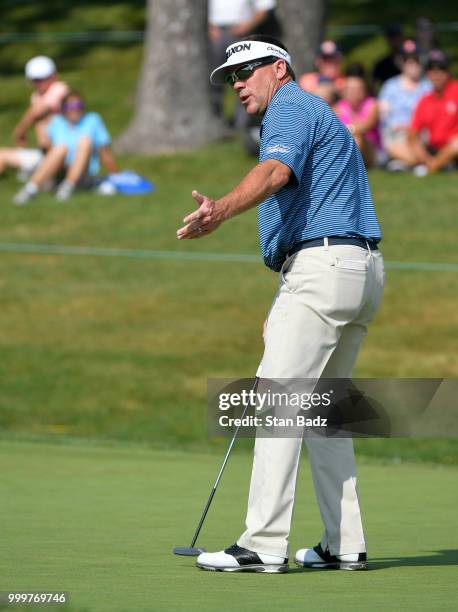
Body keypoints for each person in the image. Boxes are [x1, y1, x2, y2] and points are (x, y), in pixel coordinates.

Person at [177, 35, 384, 573]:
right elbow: (311, 216)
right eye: (231, 78)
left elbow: (274, 174)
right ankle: (345, 544)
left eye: (247, 71)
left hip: (325, 269)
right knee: (325, 415)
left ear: (279, 67)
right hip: (356, 271)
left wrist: (220, 210)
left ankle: (263, 544)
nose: (239, 84)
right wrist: (286, 293)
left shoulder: (290, 107)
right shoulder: (318, 109)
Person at [13, 91, 118, 205]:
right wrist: (40, 130)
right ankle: (30, 189)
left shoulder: (93, 120)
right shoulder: (57, 122)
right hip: (60, 170)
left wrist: (115, 176)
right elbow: (47, 150)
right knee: (61, 149)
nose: (74, 109)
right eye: (70, 106)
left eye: (78, 105)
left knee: (85, 141)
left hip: (85, 171)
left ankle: (67, 187)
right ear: (63, 108)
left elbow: (104, 151)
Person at [208, 0, 279, 124]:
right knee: (214, 78)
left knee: (244, 78)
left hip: (240, 33)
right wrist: (208, 26)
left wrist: (247, 26)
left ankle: (242, 122)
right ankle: (215, 120)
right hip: (215, 33)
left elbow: (264, 7)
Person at [0, 56, 69, 180]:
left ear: (54, 76)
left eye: (44, 78)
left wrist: (21, 130)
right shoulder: (36, 96)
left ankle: (49, 174)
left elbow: (39, 111)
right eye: (36, 80)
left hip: (63, 152)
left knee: (42, 123)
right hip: (43, 153)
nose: (40, 83)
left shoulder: (60, 89)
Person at [378, 40, 432, 170]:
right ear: (401, 62)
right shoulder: (389, 87)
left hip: (420, 135)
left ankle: (405, 163)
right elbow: (384, 118)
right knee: (396, 144)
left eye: (415, 59)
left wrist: (412, 129)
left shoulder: (428, 87)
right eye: (407, 60)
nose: (411, 63)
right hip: (396, 134)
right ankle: (419, 162)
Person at [408, 50, 458, 176]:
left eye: (441, 69)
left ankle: (432, 167)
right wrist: (426, 158)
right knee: (401, 143)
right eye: (432, 69)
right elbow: (413, 135)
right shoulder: (425, 100)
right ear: (428, 74)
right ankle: (436, 164)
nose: (437, 74)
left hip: (454, 147)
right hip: (433, 149)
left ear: (448, 72)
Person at [335, 68, 381, 167]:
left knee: (357, 138)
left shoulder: (372, 105)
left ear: (364, 90)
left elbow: (366, 125)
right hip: (345, 144)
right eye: (350, 89)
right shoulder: (337, 108)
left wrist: (346, 130)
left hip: (371, 149)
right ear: (344, 92)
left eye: (357, 89)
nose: (354, 92)